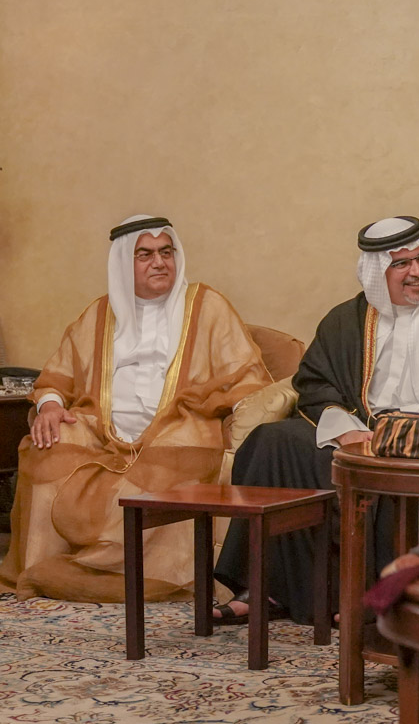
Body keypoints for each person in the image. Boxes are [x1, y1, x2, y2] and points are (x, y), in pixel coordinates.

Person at [212, 216, 419, 625]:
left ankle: (380, 597)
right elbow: (315, 384)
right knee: (273, 443)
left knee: (404, 473)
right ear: (376, 272)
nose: (418, 271)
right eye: (401, 263)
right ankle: (267, 588)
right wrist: (346, 430)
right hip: (360, 434)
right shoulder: (346, 320)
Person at [0, 216, 271, 602]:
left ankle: (150, 574)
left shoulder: (207, 306)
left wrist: (236, 410)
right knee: (48, 447)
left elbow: (246, 375)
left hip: (179, 426)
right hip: (101, 432)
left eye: (166, 252)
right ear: (123, 263)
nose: (159, 262)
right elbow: (57, 375)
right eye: (145, 255)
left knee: (178, 455)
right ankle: (43, 568)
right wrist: (50, 406)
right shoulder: (98, 314)